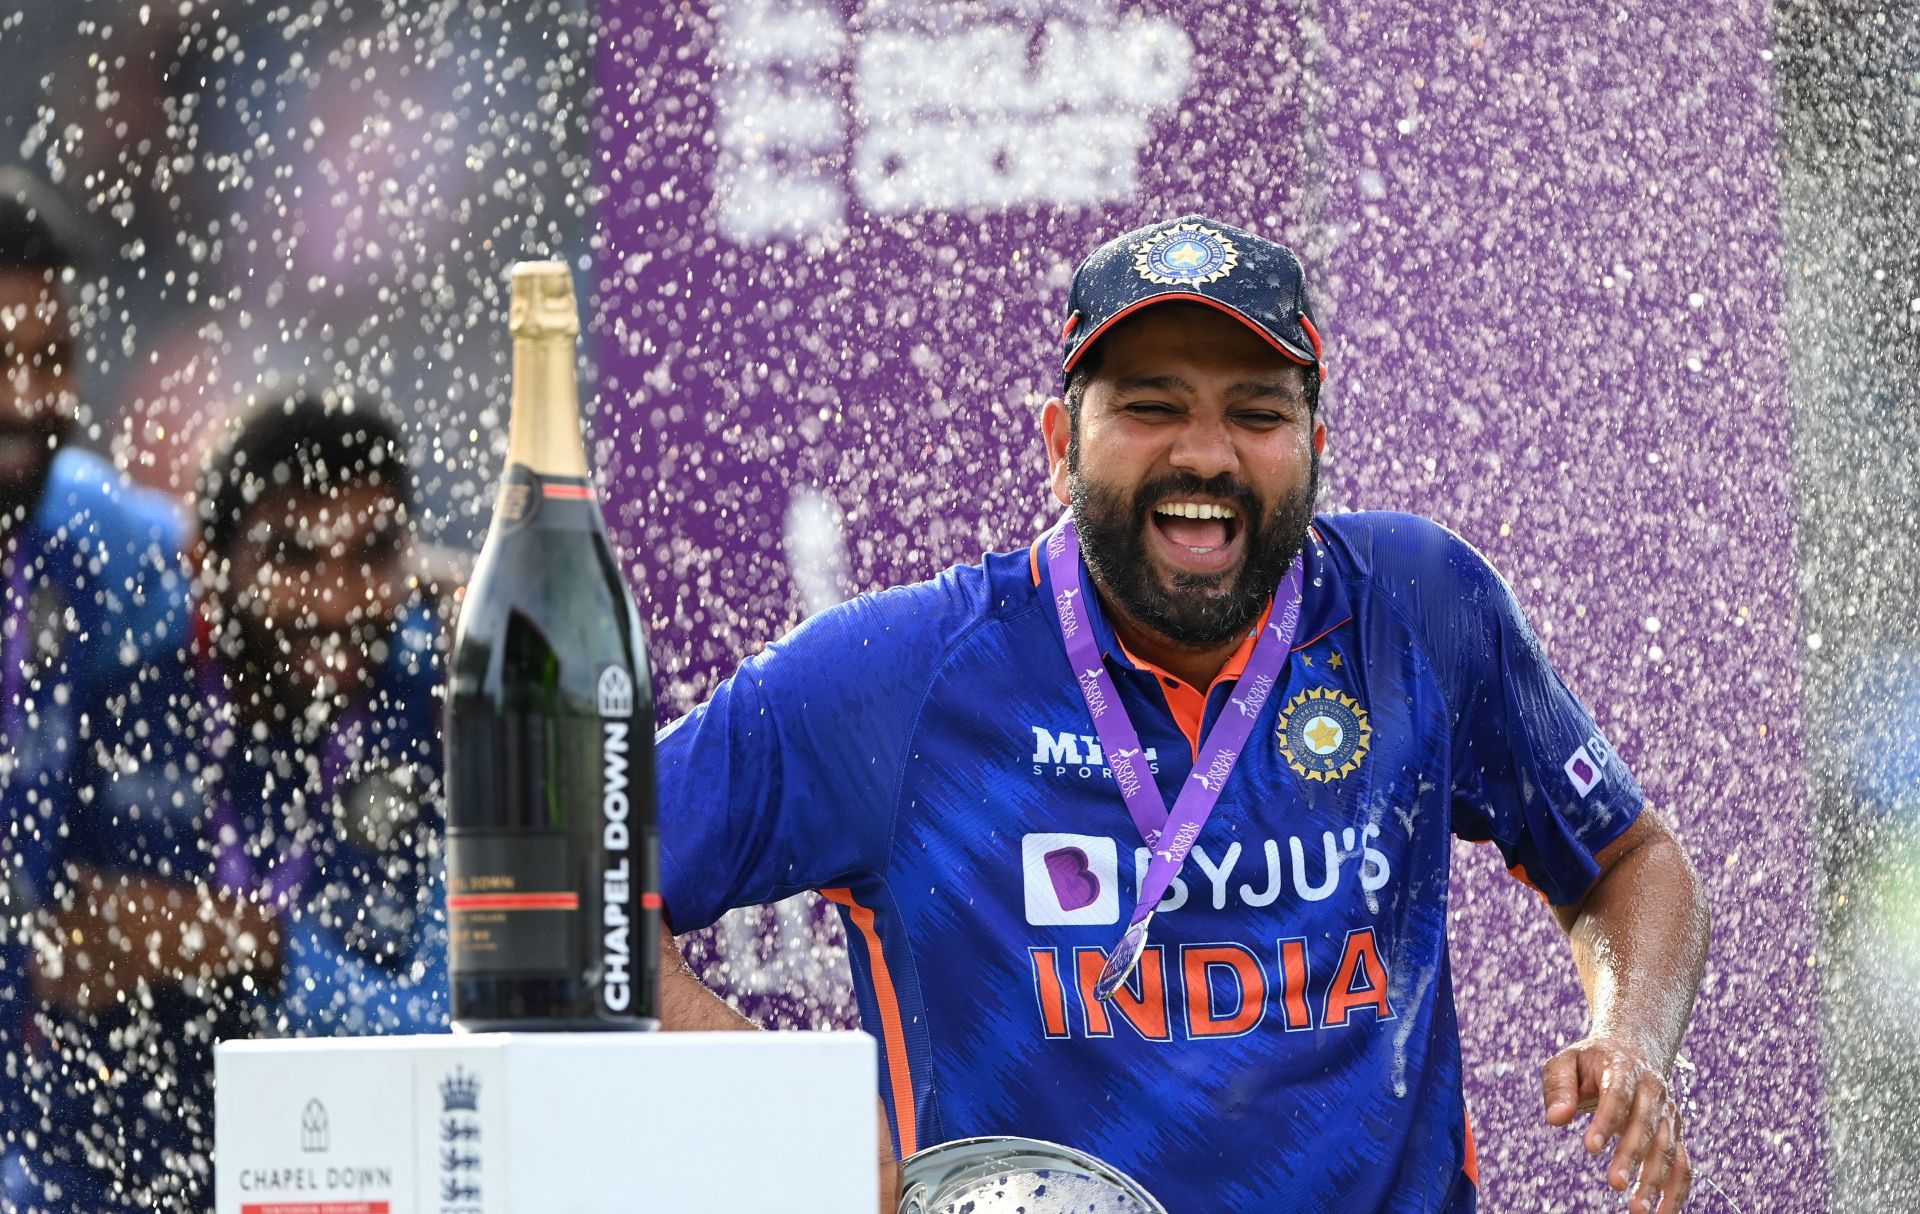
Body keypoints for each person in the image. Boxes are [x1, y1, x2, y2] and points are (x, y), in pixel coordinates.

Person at [651, 216, 1709, 1212]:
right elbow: (559, 895)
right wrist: (790, 1114)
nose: (1206, 454)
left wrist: (1630, 1038)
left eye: (1256, 412)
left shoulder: (1423, 607)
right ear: (1059, 440)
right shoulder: (900, 677)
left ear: (1315, 440)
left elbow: (1631, 861)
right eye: (1152, 407)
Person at [22, 387, 453, 1211]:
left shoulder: (441, 715)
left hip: (361, 1185)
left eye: (373, 554)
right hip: (99, 1188)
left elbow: (458, 1029)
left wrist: (246, 941)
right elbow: (45, 959)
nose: (336, 599)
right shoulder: (116, 706)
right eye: (292, 557)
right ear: (204, 562)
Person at [0, 166, 202, 1212]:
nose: (33, 397)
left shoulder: (81, 533)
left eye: (52, 358)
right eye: (1, 361)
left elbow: (246, 572)